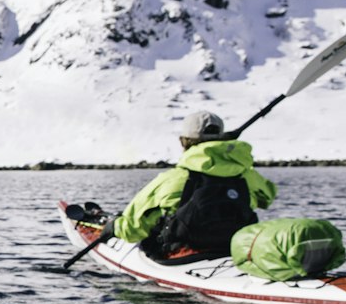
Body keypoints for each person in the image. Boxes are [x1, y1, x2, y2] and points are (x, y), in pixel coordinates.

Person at [112, 110, 277, 262]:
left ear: (184, 141)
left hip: (182, 256)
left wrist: (113, 227)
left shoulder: (172, 179)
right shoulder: (246, 175)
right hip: (235, 250)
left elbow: (131, 231)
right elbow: (268, 197)